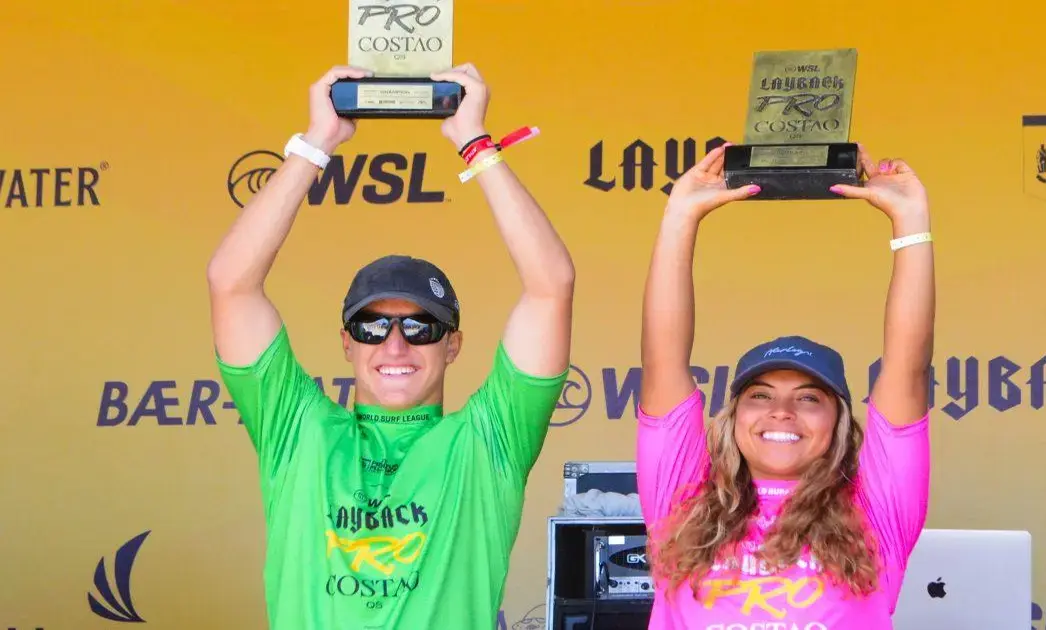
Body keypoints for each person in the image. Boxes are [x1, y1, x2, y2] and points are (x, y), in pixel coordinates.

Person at [206, 63, 575, 629]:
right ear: (347, 343)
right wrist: (317, 142)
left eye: (421, 327)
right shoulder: (297, 430)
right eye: (373, 328)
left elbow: (550, 287)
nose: (396, 344)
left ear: (453, 345)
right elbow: (230, 284)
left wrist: (475, 144)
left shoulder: (486, 441)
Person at [636, 143, 934, 629]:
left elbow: (908, 369)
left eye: (809, 398)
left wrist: (911, 223)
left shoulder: (875, 511)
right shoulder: (683, 500)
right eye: (760, 395)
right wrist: (680, 217)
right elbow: (661, 359)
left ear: (839, 422)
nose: (781, 412)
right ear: (733, 418)